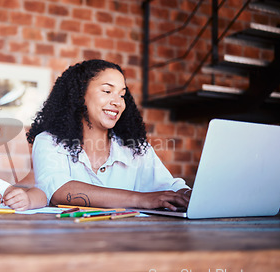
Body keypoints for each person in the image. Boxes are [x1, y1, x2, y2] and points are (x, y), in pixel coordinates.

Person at [26, 59, 190, 211]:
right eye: (107, 91)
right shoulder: (49, 142)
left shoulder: (135, 148)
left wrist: (187, 195)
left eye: (122, 95)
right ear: (79, 94)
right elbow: (59, 191)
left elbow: (168, 187)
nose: (117, 102)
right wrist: (142, 199)